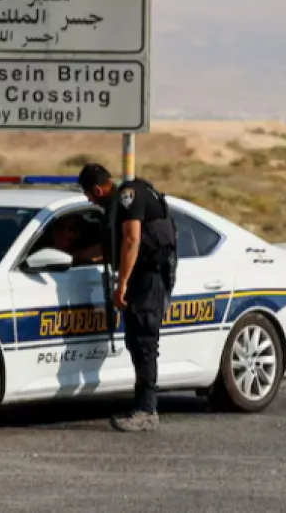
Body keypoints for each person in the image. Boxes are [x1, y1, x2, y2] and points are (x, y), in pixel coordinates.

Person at [75, 162, 178, 432]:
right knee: (137, 341)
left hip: (148, 277)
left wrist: (120, 284)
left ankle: (146, 410)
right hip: (144, 275)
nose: (89, 201)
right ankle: (142, 406)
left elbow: (132, 240)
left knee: (144, 342)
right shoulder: (124, 200)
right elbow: (115, 245)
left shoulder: (127, 197)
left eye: (88, 195)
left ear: (97, 190)